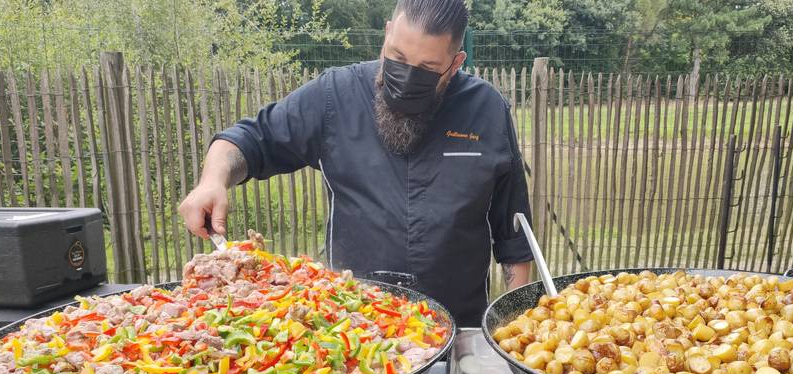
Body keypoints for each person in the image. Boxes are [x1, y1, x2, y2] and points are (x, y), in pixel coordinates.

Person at [178, 0, 533, 327]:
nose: (407, 76)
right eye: (397, 56)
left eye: (426, 68)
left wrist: (514, 323)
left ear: (455, 63)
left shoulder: (486, 109)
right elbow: (250, 139)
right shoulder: (335, 96)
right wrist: (213, 179)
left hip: (458, 329)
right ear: (387, 32)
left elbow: (513, 234)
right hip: (353, 329)